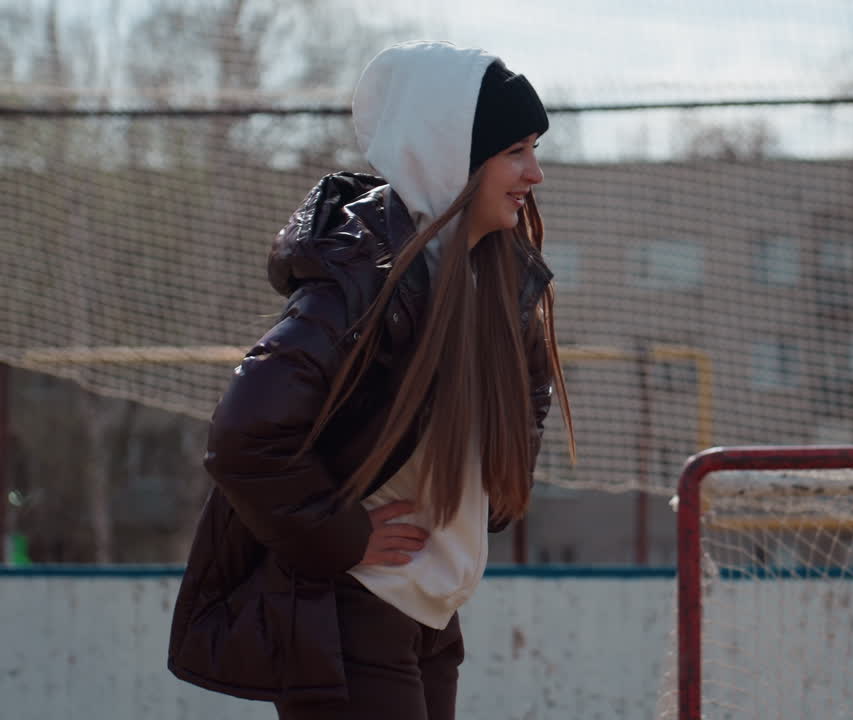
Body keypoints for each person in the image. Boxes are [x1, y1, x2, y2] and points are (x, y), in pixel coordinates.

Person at [167, 41, 575, 720]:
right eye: (515, 151)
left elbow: (528, 394)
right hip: (356, 605)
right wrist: (340, 533)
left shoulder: (493, 276)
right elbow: (243, 438)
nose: (535, 173)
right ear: (452, 155)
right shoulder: (360, 283)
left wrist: (503, 478)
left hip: (431, 610)